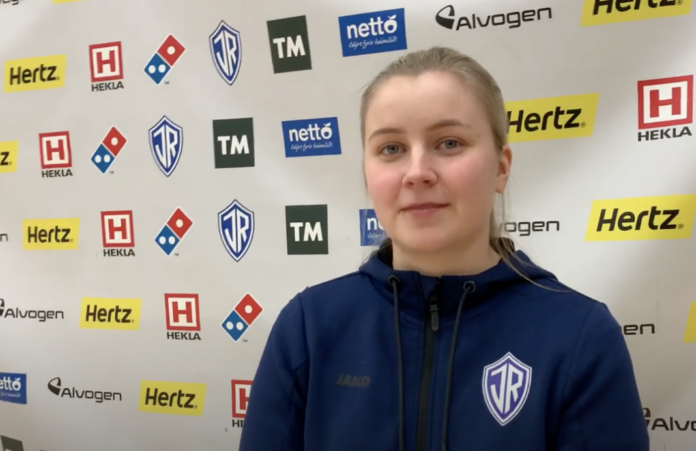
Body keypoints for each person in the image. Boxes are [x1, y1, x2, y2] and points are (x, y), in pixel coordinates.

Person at [239, 46, 649, 451]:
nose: (417, 172)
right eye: (391, 149)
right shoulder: (308, 329)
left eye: (449, 143)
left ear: (501, 167)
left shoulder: (580, 337)